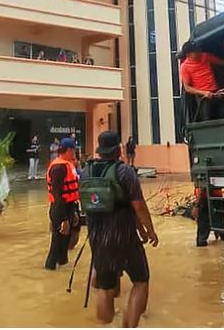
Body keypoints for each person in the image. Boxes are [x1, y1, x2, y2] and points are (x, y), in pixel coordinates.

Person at [82, 131, 158, 328]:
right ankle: (129, 325)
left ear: (100, 150)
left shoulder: (85, 171)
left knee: (104, 288)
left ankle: (104, 324)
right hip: (124, 238)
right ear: (118, 149)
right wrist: (149, 230)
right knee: (141, 281)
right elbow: (138, 206)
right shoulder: (125, 172)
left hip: (97, 239)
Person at [45, 137, 80, 270]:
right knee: (57, 241)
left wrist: (74, 212)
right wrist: (64, 218)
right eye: (73, 150)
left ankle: (63, 265)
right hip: (60, 208)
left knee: (65, 242)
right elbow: (57, 194)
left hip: (69, 206)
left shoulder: (68, 164)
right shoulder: (58, 167)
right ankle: (50, 267)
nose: (74, 153)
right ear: (69, 150)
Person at [179, 41, 224, 122]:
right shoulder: (185, 67)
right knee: (206, 119)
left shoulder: (205, 56)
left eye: (198, 49)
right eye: (195, 51)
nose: (198, 52)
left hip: (216, 91)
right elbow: (187, 88)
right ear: (188, 54)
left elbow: (222, 62)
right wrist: (203, 93)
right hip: (202, 96)